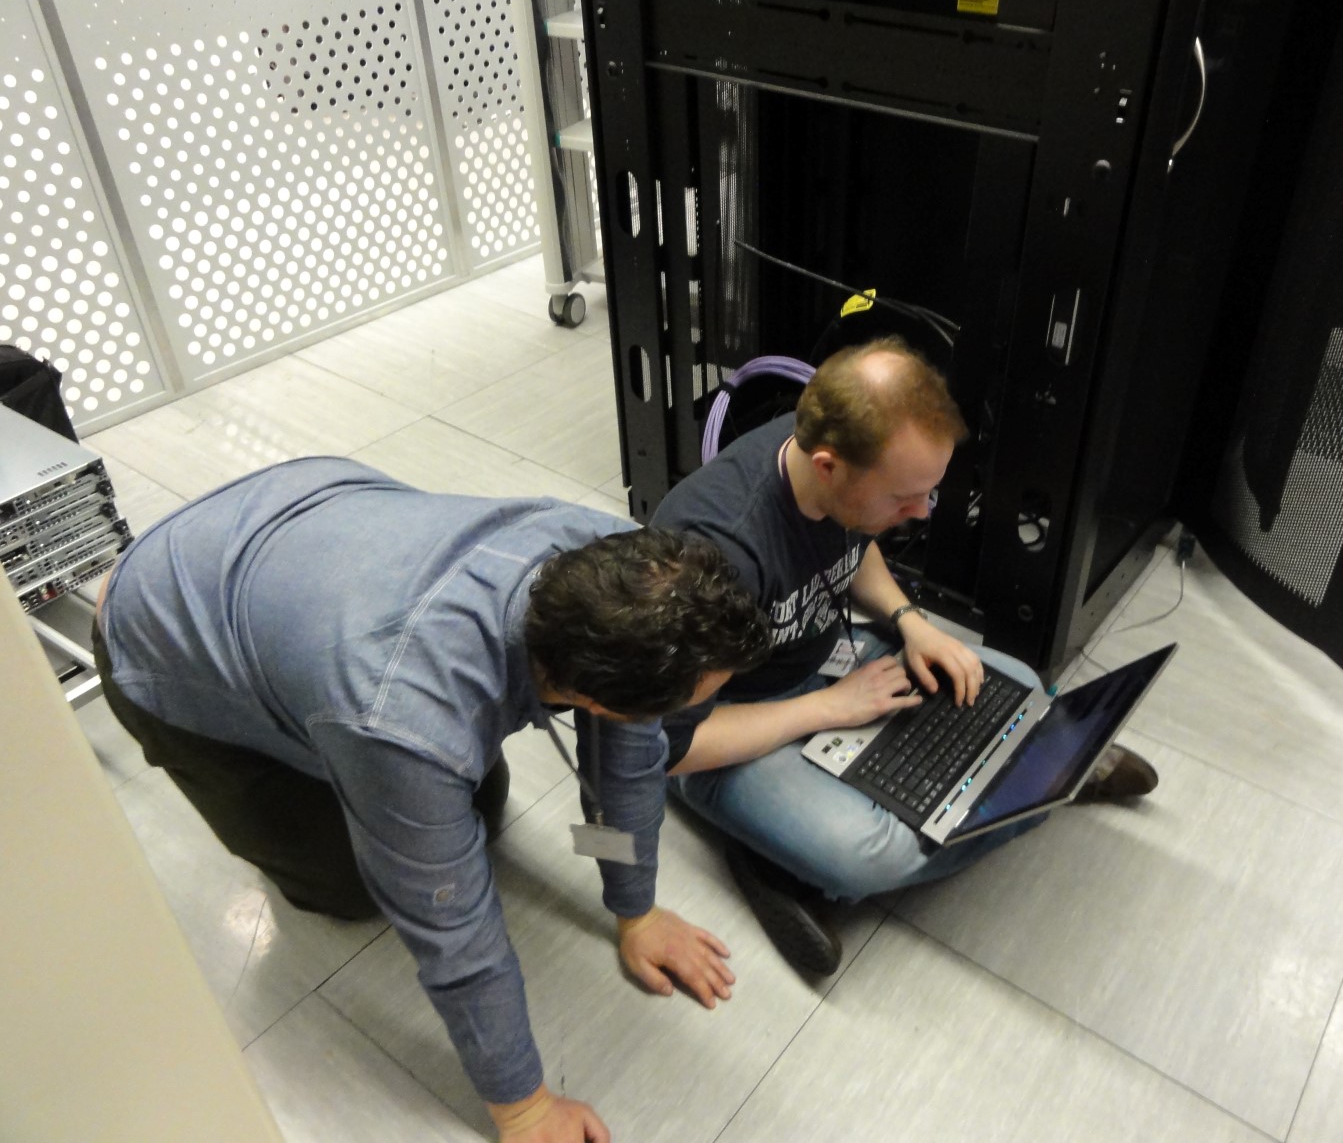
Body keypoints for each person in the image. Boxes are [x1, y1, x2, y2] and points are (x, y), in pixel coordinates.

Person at [93, 456, 771, 1143]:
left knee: (476, 803)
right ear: (593, 698)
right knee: (352, 886)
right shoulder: (405, 718)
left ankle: (330, 717)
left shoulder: (631, 575)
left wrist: (637, 910)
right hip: (158, 626)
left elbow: (627, 762)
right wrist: (526, 1109)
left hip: (300, 521)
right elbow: (453, 933)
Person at [651, 337, 1158, 975]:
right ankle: (778, 861)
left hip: (821, 661)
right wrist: (827, 709)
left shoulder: (826, 464)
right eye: (903, 498)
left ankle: (1021, 780)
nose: (920, 513)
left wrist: (910, 622)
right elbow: (668, 746)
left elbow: (854, 542)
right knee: (868, 853)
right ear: (829, 466)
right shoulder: (712, 557)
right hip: (726, 731)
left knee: (1015, 682)